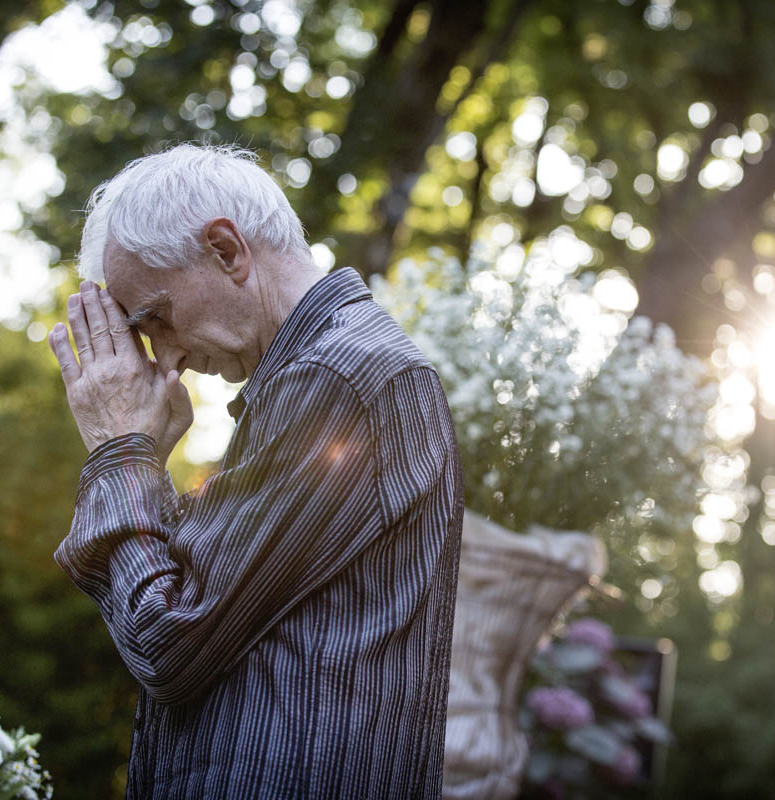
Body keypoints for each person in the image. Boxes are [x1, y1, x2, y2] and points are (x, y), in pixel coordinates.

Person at [47, 143, 463, 798]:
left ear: (226, 250)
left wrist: (117, 448)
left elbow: (166, 640)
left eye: (154, 318)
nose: (166, 354)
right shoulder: (320, 376)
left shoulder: (336, 377)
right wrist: (142, 461)